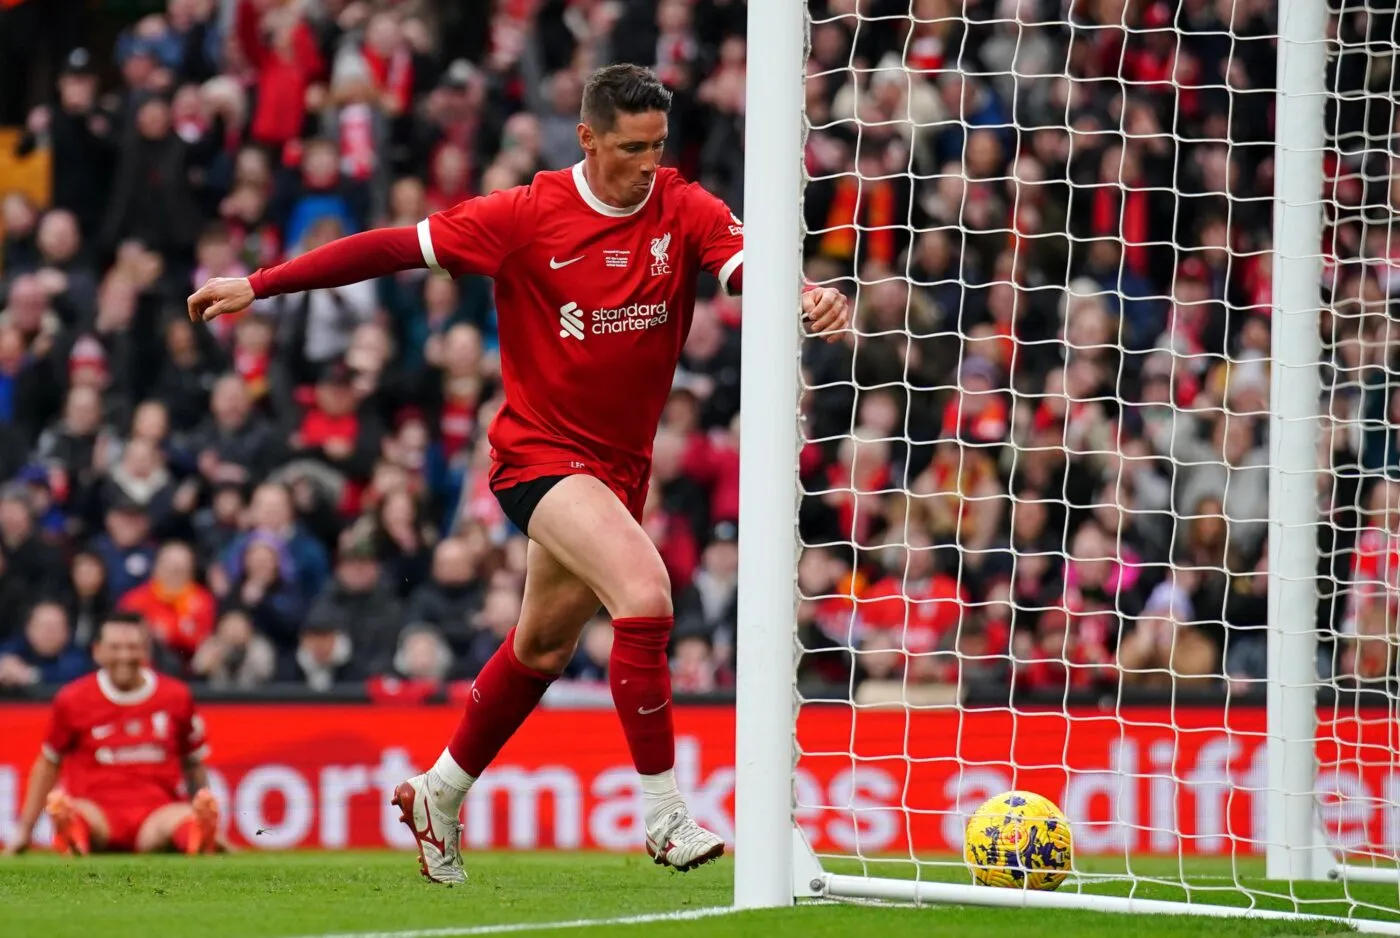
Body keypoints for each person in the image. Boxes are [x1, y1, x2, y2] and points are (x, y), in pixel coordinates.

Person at [188, 63, 849, 885]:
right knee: (645, 597)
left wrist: (807, 293)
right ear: (587, 138)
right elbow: (394, 247)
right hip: (537, 457)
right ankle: (665, 816)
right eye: (630, 148)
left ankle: (438, 792)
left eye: (657, 146)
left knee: (540, 645)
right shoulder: (526, 215)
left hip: (619, 469)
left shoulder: (683, 206)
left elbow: (744, 265)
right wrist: (259, 284)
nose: (647, 163)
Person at [3, 613, 220, 856]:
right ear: (97, 651)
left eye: (132, 647)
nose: (124, 656)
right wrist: (25, 830)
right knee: (76, 813)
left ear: (145, 650)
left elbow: (193, 765)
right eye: (115, 648)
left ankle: (198, 836)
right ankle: (72, 835)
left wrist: (202, 807)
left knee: (182, 819)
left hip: (156, 812)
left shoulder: (176, 696)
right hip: (97, 810)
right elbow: (48, 764)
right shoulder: (73, 698)